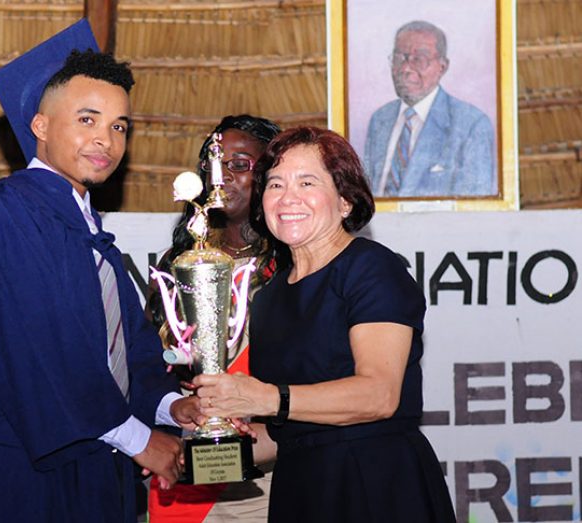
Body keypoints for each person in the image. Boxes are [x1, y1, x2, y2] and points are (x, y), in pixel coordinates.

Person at [0, 20, 203, 523]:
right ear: (40, 126)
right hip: (23, 477)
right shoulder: (4, 215)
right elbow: (37, 354)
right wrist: (142, 440)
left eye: (119, 126)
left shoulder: (89, 233)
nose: (105, 139)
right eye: (87, 119)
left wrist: (170, 407)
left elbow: (129, 351)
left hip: (97, 470)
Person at [195, 126, 457, 522]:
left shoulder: (371, 269)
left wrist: (266, 398)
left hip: (375, 487)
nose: (288, 198)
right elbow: (286, 434)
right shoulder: (269, 297)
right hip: (300, 491)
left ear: (346, 201)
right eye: (275, 184)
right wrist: (191, 458)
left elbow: (379, 396)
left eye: (307, 182)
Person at [145, 115, 280, 522]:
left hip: (269, 470)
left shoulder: (293, 271)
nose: (220, 177)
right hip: (185, 466)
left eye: (240, 165)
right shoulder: (178, 265)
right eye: (211, 165)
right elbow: (146, 368)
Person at [364, 20, 495, 197]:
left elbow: (474, 209)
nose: (406, 68)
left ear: (442, 67)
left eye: (419, 59)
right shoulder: (380, 120)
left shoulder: (471, 125)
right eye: (398, 58)